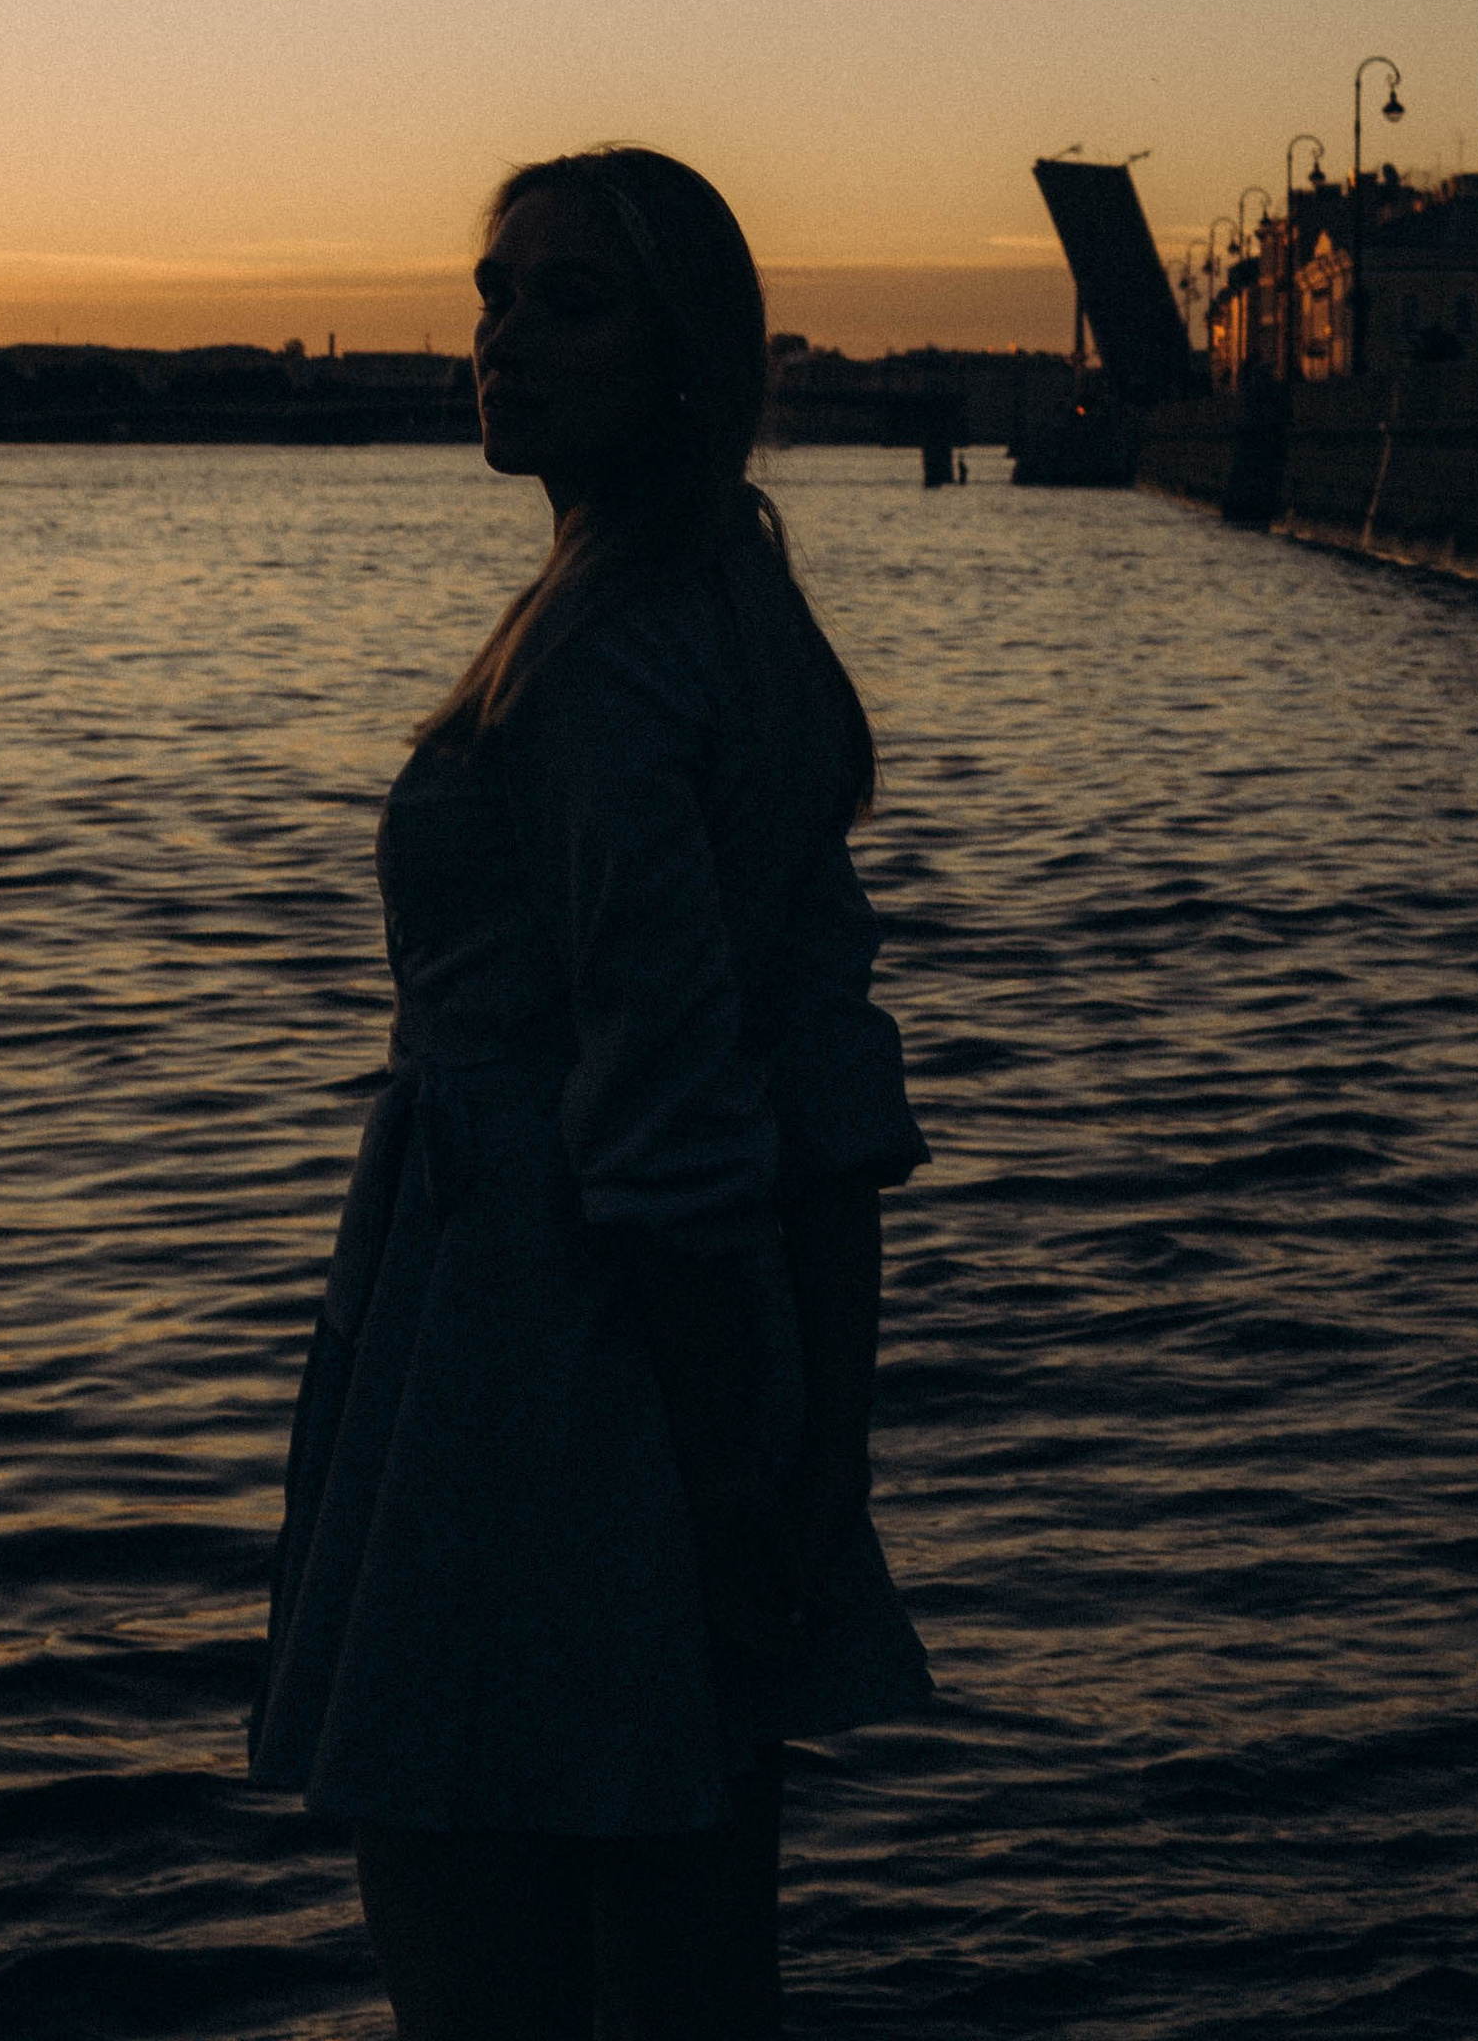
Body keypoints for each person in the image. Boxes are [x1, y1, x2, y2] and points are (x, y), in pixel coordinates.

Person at [251, 146, 932, 2038]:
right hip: (697, 1356)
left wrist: (726, 1485)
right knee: (688, 1945)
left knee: (472, 1924)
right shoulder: (734, 614)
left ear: (689, 352)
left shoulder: (598, 668)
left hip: (530, 1352)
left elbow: (678, 1114)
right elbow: (826, 1089)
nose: (503, 341)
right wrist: (813, 1448)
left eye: (570, 301)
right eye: (494, 296)